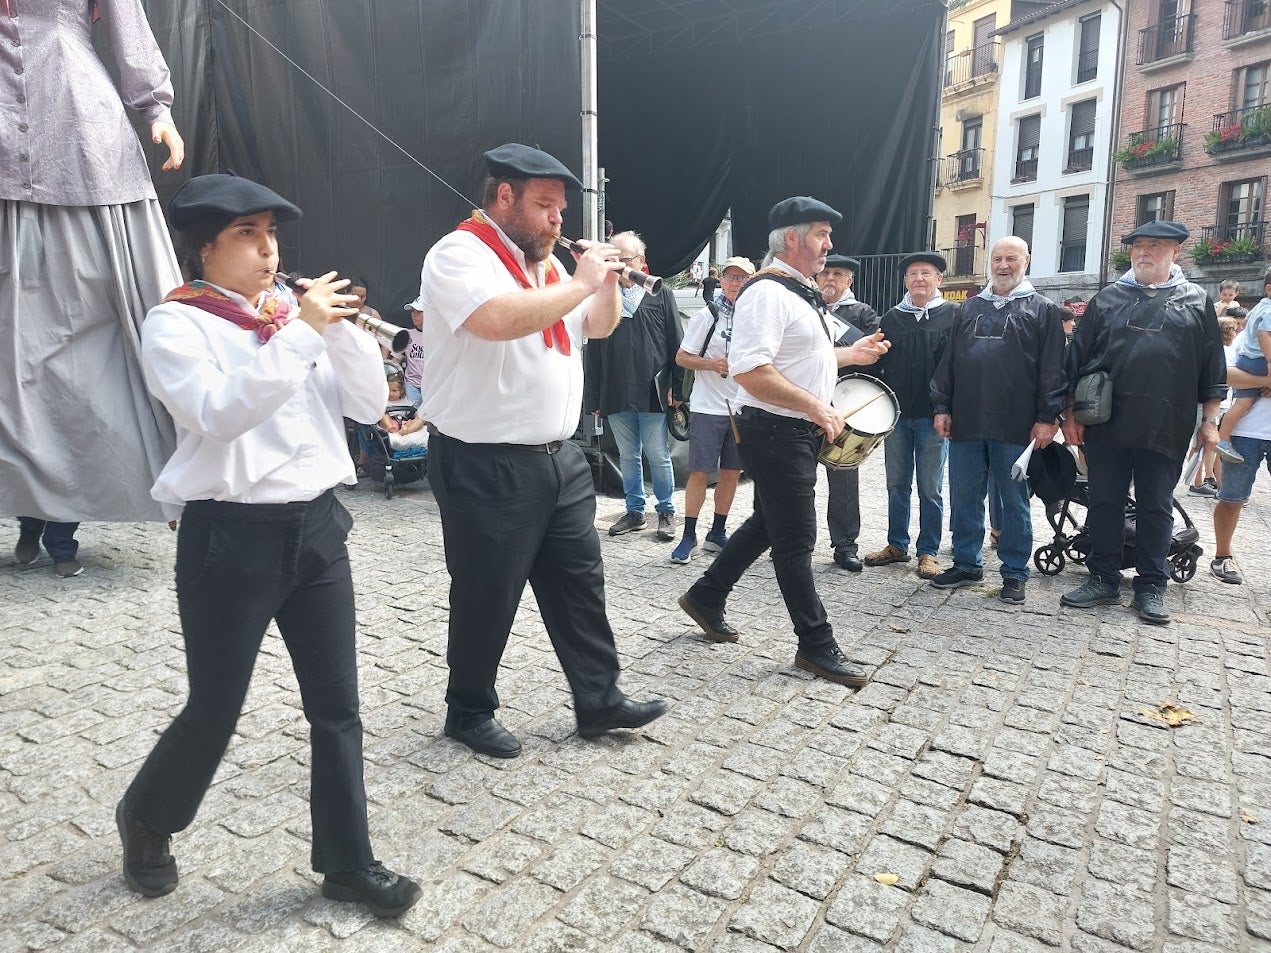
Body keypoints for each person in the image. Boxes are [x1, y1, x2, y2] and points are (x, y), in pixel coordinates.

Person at [118, 174, 420, 916]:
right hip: (230, 537)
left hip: (317, 526)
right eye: (248, 234)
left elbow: (368, 406)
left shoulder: (290, 317)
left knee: (337, 705)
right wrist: (302, 332)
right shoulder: (175, 325)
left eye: (272, 234)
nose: (267, 248)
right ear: (207, 247)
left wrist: (346, 332)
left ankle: (348, 863)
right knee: (215, 706)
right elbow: (220, 413)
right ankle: (148, 817)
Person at [418, 144, 667, 759]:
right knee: (487, 591)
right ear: (504, 198)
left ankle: (599, 698)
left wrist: (602, 283)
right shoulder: (459, 253)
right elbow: (497, 320)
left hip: (560, 456)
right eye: (546, 206)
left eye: (562, 208)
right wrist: (581, 280)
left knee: (580, 582)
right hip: (486, 460)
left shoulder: (550, 267)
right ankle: (469, 709)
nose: (559, 220)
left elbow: (597, 328)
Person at [3, 0, 186, 577]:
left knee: (87, 347)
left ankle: (60, 522)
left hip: (80, 144)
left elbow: (129, 30)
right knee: (14, 356)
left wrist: (156, 107)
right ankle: (30, 510)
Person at [677, 196, 889, 687]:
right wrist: (816, 406)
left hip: (786, 431)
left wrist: (851, 353)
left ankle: (706, 595)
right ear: (791, 238)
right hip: (775, 432)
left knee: (767, 524)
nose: (829, 245)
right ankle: (816, 645)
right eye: (820, 234)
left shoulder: (797, 292)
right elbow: (751, 372)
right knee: (796, 541)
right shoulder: (767, 293)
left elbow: (800, 360)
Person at [1060, 220, 1226, 624]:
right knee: (1104, 502)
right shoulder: (1107, 299)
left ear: (1176, 252)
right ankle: (1103, 577)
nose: (1143, 252)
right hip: (1106, 421)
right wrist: (1068, 416)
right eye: (1137, 246)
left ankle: (1152, 584)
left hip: (1166, 422)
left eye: (1155, 245)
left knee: (1156, 506)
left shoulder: (1195, 301)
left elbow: (1212, 366)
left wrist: (1210, 421)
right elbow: (1076, 359)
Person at [929, 237, 1066, 603]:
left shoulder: (1043, 310)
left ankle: (1015, 571)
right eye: (998, 258)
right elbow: (949, 363)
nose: (1003, 265)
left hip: (1016, 425)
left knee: (1013, 501)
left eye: (1012, 259)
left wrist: (1047, 418)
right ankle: (966, 562)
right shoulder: (969, 308)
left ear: (1027, 261)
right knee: (965, 496)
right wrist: (942, 406)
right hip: (966, 421)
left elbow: (1053, 369)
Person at [584, 231, 684, 541]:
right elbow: (595, 350)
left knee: (657, 454)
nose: (617, 266)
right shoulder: (604, 295)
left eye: (623, 260)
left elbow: (676, 344)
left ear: (640, 262)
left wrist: (676, 389)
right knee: (628, 455)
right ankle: (635, 511)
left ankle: (666, 512)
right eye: (612, 260)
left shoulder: (660, 293)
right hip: (616, 390)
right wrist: (594, 396)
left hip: (652, 390)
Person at [863, 253, 957, 578]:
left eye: (926, 273)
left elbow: (956, 369)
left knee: (930, 487)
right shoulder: (892, 318)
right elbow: (877, 365)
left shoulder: (952, 316)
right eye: (913, 273)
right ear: (905, 280)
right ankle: (897, 545)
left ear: (939, 279)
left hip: (934, 418)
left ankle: (928, 551)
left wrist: (949, 409)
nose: (919, 278)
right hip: (898, 417)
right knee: (896, 484)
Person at [669, 256, 754, 564]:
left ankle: (717, 532)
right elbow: (681, 357)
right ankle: (688, 535)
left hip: (742, 406)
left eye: (743, 279)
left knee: (732, 471)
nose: (736, 283)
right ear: (722, 281)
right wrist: (711, 364)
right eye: (731, 277)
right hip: (707, 406)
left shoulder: (756, 317)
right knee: (700, 472)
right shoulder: (709, 314)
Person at [817, 254, 881, 571]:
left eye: (837, 274)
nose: (829, 278)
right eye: (825, 273)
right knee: (792, 479)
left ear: (849, 280)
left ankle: (845, 545)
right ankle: (783, 540)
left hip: (844, 406)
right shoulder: (804, 306)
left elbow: (871, 358)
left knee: (843, 478)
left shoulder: (863, 314)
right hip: (802, 401)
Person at [1209, 361, 1271, 585]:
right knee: (1232, 499)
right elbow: (1226, 374)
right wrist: (1265, 381)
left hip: (1246, 431)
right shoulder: (1255, 335)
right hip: (1244, 433)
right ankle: (1222, 557)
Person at [1214, 269, 1271, 465]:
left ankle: (1222, 438)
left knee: (1242, 403)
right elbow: (1223, 374)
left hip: (1250, 359)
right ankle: (1222, 438)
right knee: (1243, 404)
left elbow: (1247, 322)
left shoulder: (1260, 306)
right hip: (1249, 431)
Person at [395, 297, 427, 404]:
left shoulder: (438, 337)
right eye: (413, 311)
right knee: (411, 414)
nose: (414, 315)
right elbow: (395, 360)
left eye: (419, 312)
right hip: (411, 385)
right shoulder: (406, 334)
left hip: (431, 386)